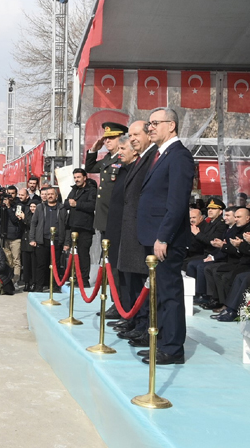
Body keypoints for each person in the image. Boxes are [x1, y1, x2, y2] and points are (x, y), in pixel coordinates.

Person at [136, 107, 195, 365]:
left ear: (171, 125)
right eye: (149, 124)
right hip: (153, 236)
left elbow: (177, 203)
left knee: (169, 294)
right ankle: (160, 343)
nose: (150, 128)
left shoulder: (179, 156)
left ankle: (172, 349)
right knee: (159, 294)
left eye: (155, 123)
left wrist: (163, 237)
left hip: (165, 239)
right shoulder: (162, 154)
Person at [112, 120, 156, 339]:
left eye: (135, 135)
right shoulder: (139, 161)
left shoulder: (151, 158)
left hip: (141, 232)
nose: (131, 140)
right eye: (130, 136)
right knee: (134, 282)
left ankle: (142, 325)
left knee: (142, 284)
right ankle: (136, 322)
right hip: (131, 231)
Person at [102, 135, 134, 320]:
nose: (118, 153)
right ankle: (119, 305)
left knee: (125, 272)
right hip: (113, 225)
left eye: (122, 149)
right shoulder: (121, 168)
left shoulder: (133, 170)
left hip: (125, 228)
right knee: (115, 269)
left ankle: (126, 309)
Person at [86, 122, 127, 237]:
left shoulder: (124, 159)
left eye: (112, 137)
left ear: (122, 138)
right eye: (106, 138)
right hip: (104, 215)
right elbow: (90, 167)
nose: (107, 141)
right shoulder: (108, 158)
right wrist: (94, 150)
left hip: (116, 213)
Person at [29, 187, 68, 292]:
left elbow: (67, 226)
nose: (50, 196)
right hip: (42, 240)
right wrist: (32, 238)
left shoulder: (62, 208)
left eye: (52, 194)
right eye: (48, 194)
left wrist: (67, 242)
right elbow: (33, 223)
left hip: (57, 241)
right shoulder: (40, 207)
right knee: (41, 265)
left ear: (56, 195)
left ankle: (55, 287)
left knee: (56, 264)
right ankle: (39, 287)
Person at [65, 168, 97, 286]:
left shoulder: (91, 190)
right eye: (75, 177)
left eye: (78, 177)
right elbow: (66, 203)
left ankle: (84, 280)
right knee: (74, 254)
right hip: (73, 226)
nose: (76, 179)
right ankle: (74, 277)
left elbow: (92, 205)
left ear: (84, 177)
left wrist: (77, 204)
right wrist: (71, 203)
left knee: (83, 254)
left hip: (85, 227)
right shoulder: (74, 190)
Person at [0, 185, 22, 283]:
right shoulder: (2, 204)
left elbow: (15, 220)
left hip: (15, 238)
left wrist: (8, 207)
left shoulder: (18, 205)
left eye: (13, 194)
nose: (10, 196)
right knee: (5, 260)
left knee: (16, 261)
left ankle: (15, 281)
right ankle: (6, 279)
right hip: (4, 236)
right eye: (9, 193)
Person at [20, 201, 37, 291]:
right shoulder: (28, 214)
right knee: (26, 265)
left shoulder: (38, 215)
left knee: (33, 265)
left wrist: (24, 219)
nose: (32, 208)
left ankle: (33, 283)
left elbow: (33, 225)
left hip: (34, 242)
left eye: (34, 206)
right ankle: (26, 282)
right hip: (25, 242)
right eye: (31, 206)